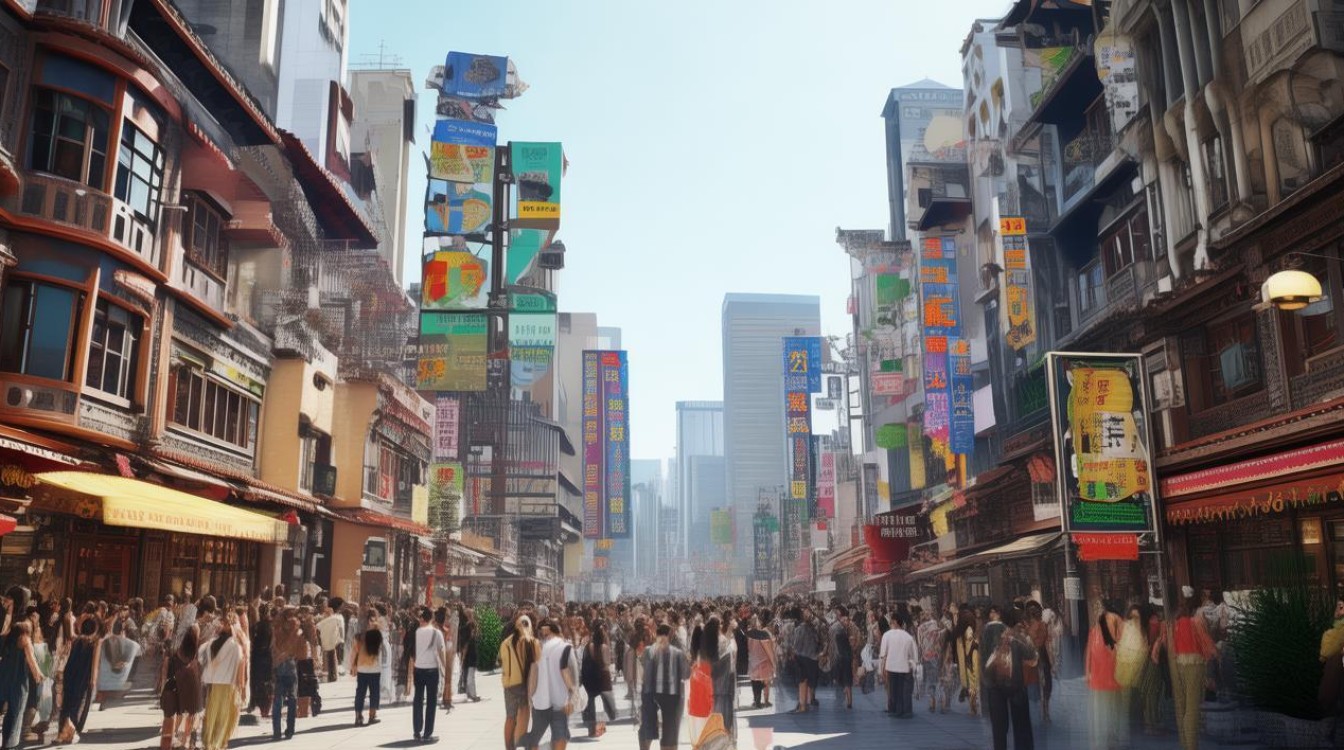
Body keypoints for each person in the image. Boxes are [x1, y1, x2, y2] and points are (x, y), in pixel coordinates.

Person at [1152, 592, 1217, 750]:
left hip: (1178, 666)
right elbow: (1209, 647)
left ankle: (1185, 745)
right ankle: (1191, 746)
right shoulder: (1196, 622)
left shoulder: (1169, 626)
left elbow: (1158, 648)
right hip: (1195, 665)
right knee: (1192, 708)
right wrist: (1216, 658)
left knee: (1181, 706)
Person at [981, 606, 1038, 750]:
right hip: (1016, 685)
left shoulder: (987, 633)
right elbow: (1033, 657)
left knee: (998, 729)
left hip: (994, 686)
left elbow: (984, 661)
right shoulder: (1018, 636)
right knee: (1021, 725)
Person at [0, 587, 44, 750]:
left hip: (9, 671)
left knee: (14, 712)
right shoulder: (22, 623)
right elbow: (29, 650)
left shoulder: (15, 622)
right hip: (15, 675)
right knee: (15, 712)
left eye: (9, 600)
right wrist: (37, 673)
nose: (5, 603)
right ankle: (8, 746)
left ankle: (8, 745)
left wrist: (37, 672)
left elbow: (28, 649)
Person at [523, 618, 575, 750]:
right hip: (559, 700)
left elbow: (533, 675)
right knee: (559, 735)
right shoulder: (563, 647)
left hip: (541, 701)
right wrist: (572, 691)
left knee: (536, 734)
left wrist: (530, 696)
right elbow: (566, 672)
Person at [199, 615, 245, 750]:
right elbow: (240, 667)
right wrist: (241, 688)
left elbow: (202, 659)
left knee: (212, 712)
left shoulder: (212, 644)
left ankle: (209, 741)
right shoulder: (236, 646)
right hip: (229, 685)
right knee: (224, 715)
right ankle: (219, 742)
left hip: (214, 684)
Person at [640, 623, 687, 750]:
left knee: (648, 727)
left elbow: (645, 668)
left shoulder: (648, 650)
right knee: (669, 730)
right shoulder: (676, 652)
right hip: (670, 694)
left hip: (649, 692)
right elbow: (685, 673)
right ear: (670, 635)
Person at [1087, 600, 1127, 750]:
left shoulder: (1101, 628)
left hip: (1106, 678)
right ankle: (1108, 741)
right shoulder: (1096, 630)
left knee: (1105, 711)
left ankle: (1106, 741)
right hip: (1107, 678)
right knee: (1110, 711)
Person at [57, 616, 99, 744]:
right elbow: (94, 664)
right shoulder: (93, 643)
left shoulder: (76, 641)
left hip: (70, 674)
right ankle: (70, 732)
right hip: (83, 676)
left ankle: (62, 732)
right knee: (77, 704)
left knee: (67, 703)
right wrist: (93, 680)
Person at [500, 614, 539, 750]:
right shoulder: (532, 642)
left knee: (510, 717)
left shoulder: (506, 642)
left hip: (510, 684)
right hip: (525, 685)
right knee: (524, 716)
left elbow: (502, 662)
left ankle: (509, 747)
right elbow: (536, 665)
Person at [407, 606, 446, 743]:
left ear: (422, 619)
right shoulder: (437, 633)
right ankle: (427, 733)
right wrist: (445, 669)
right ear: (432, 618)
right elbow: (441, 652)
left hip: (418, 668)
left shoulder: (417, 632)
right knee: (431, 702)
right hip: (432, 669)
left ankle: (417, 730)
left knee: (418, 699)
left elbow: (412, 649)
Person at [160, 628, 202, 750]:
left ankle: (168, 744)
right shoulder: (194, 658)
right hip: (189, 685)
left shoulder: (171, 653)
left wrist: (162, 690)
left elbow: (164, 673)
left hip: (172, 687)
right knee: (191, 714)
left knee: (170, 717)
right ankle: (188, 743)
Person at [271, 606, 304, 742]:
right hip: (291, 664)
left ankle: (276, 731)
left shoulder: (277, 627)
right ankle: (290, 730)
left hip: (279, 665)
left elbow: (272, 646)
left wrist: (278, 658)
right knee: (292, 699)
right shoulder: (296, 627)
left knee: (277, 700)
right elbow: (298, 648)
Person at [580, 619, 617, 737]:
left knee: (590, 703)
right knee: (606, 703)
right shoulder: (604, 647)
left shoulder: (588, 646)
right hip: (603, 676)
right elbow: (607, 663)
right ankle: (601, 727)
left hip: (590, 677)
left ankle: (591, 729)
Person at [879, 611, 917, 718]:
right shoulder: (908, 637)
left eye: (891, 622)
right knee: (905, 690)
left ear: (894, 622)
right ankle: (907, 711)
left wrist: (882, 669)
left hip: (891, 666)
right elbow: (913, 655)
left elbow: (883, 654)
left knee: (893, 690)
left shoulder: (887, 635)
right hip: (905, 666)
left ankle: (894, 709)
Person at [789, 606, 821, 714]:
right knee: (808, 682)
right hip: (812, 659)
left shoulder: (799, 629)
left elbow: (796, 645)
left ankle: (802, 706)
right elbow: (818, 643)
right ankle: (805, 703)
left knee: (802, 682)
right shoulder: (814, 629)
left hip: (802, 658)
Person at [352, 625, 385, 727]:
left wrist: (353, 666)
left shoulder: (361, 640)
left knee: (360, 693)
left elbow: (355, 652)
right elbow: (382, 655)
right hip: (375, 670)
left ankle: (358, 716)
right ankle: (372, 715)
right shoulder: (378, 641)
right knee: (374, 693)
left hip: (362, 669)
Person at [916, 605, 946, 714]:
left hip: (926, 656)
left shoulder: (920, 628)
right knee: (940, 679)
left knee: (930, 680)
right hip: (937, 655)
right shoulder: (937, 625)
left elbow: (919, 645)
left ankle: (932, 702)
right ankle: (942, 702)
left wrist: (919, 657)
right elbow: (942, 638)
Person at [746, 613, 776, 709]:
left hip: (753, 660)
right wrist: (773, 662)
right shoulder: (763, 633)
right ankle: (765, 701)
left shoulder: (748, 633)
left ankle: (757, 701)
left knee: (755, 682)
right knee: (766, 682)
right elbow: (768, 649)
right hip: (763, 660)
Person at [831, 606, 857, 709]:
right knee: (845, 681)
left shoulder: (846, 630)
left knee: (846, 681)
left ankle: (848, 701)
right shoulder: (841, 631)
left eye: (847, 620)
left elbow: (852, 645)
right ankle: (847, 701)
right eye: (844, 620)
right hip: (842, 658)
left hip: (844, 658)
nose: (846, 622)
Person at [316, 602, 344, 683]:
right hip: (332, 643)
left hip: (325, 643)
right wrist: (341, 638)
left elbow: (317, 628)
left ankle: (326, 677)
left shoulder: (322, 622)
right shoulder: (336, 619)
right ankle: (334, 676)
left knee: (326, 660)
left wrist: (319, 641)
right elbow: (340, 628)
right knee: (333, 659)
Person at [458, 606, 479, 702]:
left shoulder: (469, 625)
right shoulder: (469, 625)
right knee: (469, 675)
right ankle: (471, 694)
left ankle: (471, 694)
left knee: (469, 675)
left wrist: (463, 655)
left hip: (469, 653)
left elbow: (467, 642)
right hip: (470, 653)